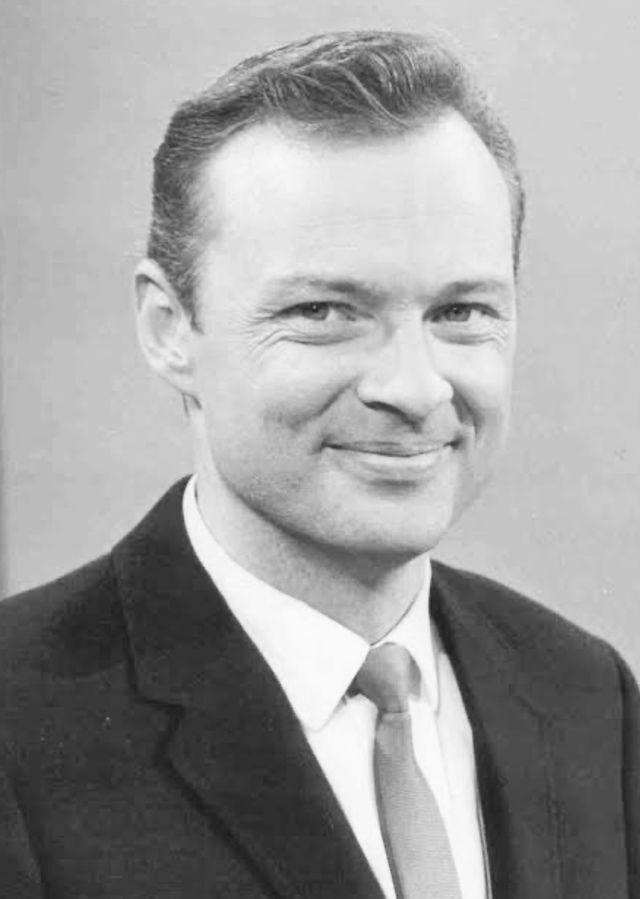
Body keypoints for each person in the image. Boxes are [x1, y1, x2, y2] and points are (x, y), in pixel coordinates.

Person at [1, 29, 638, 899]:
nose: (415, 387)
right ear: (169, 328)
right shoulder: (18, 727)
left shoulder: (587, 698)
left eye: (460, 311)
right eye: (325, 311)